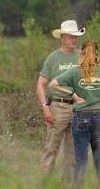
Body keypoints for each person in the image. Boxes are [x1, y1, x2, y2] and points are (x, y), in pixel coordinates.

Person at [48, 40, 100, 189]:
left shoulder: (74, 71)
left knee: (80, 161)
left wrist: (73, 94)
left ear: (82, 53)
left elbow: (52, 84)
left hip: (81, 118)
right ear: (97, 53)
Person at [36, 19, 85, 172]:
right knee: (51, 148)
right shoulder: (53, 58)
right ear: (62, 37)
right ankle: (47, 186)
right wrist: (45, 108)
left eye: (75, 36)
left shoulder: (82, 57)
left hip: (78, 108)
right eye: (70, 36)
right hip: (58, 106)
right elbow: (40, 85)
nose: (74, 39)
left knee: (73, 152)